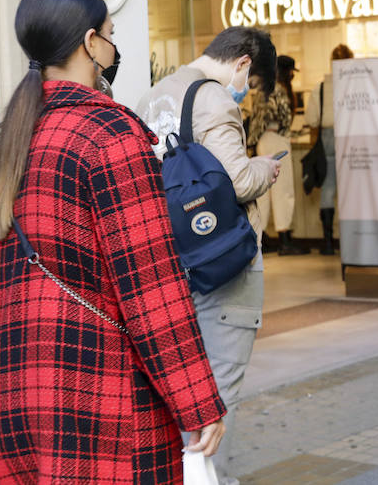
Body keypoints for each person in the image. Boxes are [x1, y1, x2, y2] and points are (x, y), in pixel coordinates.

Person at [0, 0, 225, 483]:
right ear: (90, 44)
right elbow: (152, 287)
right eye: (109, 32)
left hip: (6, 400)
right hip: (95, 399)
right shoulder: (109, 138)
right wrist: (197, 400)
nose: (112, 44)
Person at [137, 27, 282, 485]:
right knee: (219, 387)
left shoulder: (152, 97)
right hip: (222, 262)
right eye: (250, 83)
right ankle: (208, 478)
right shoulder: (215, 99)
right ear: (242, 63)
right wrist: (267, 166)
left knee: (178, 384)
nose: (245, 94)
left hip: (170, 260)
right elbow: (237, 181)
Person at [250, 54, 307, 255]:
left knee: (264, 192)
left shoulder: (263, 88)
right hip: (276, 140)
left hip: (262, 142)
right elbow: (284, 118)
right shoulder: (279, 90)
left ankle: (262, 238)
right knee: (283, 190)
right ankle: (284, 239)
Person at [304, 43, 354, 255]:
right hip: (351, 135)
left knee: (329, 188)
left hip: (327, 138)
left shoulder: (321, 87)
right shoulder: (355, 84)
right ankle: (352, 239)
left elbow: (312, 120)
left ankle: (327, 243)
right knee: (352, 189)